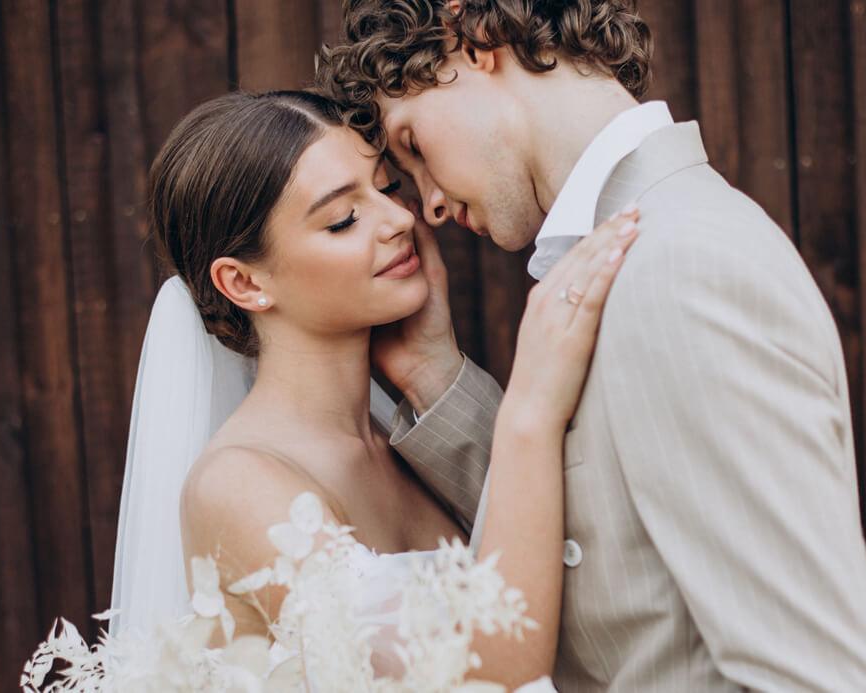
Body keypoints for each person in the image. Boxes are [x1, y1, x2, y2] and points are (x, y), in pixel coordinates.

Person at [315, 1, 866, 690]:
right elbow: (606, 559)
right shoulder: (629, 253)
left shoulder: (683, 269)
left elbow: (817, 675)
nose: (431, 203)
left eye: (412, 144)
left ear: (470, 38)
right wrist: (435, 377)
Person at [108, 89, 639, 689]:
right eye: (343, 219)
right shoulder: (239, 484)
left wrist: (431, 369)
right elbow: (482, 677)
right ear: (245, 283)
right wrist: (533, 409)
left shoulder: (405, 439)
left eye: (386, 188)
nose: (400, 219)